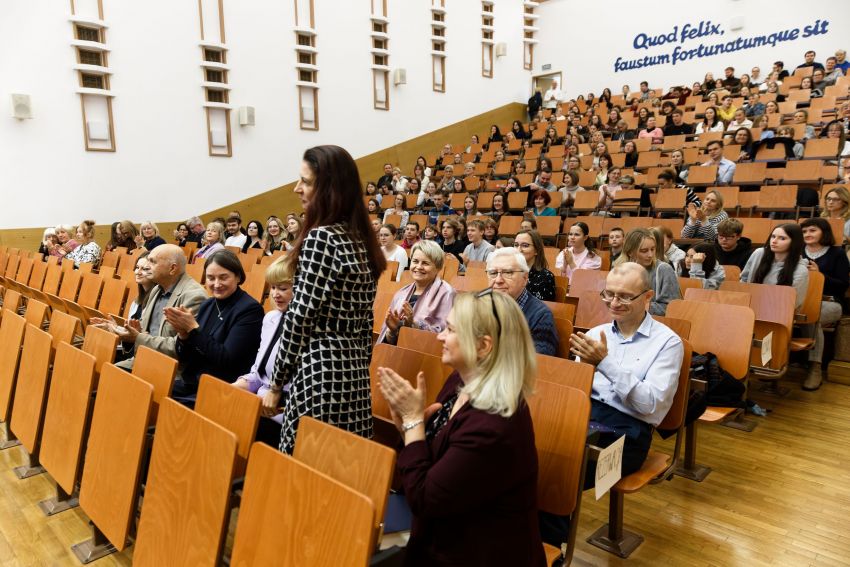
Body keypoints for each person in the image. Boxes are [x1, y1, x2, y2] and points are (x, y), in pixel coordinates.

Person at [377, 291, 546, 567]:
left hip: (479, 553)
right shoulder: (461, 381)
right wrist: (410, 428)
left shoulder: (492, 425)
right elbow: (428, 464)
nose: (440, 336)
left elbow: (425, 499)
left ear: (483, 346)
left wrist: (413, 425)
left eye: (451, 330)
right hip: (445, 532)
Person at [264, 145, 386, 454]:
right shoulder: (360, 239)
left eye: (305, 181)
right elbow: (366, 319)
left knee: (304, 468)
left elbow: (299, 317)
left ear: (328, 188)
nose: (296, 188)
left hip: (320, 372)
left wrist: (276, 383)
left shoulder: (322, 237)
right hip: (354, 374)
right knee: (341, 470)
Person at [567, 262, 683, 485]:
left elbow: (650, 405)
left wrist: (604, 363)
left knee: (565, 471)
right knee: (536, 451)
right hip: (587, 417)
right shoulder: (596, 333)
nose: (614, 303)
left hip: (629, 435)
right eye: (608, 294)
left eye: (625, 297)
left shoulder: (668, 343)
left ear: (647, 296)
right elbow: (575, 389)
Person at [95, 244, 207, 370]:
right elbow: (144, 330)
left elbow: (181, 347)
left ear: (172, 269)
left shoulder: (194, 296)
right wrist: (122, 330)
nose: (147, 266)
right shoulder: (157, 289)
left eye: (152, 262)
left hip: (171, 369)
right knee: (107, 372)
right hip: (145, 358)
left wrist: (137, 337)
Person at [232, 257, 295, 427]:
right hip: (257, 403)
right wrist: (240, 384)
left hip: (281, 413)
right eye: (273, 287)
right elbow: (259, 373)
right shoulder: (270, 318)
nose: (275, 294)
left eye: (283, 288)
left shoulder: (307, 330)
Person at [799, 218, 849, 390]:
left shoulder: (837, 253)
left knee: (812, 315)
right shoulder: (797, 251)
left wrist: (820, 275)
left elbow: (843, 284)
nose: (807, 234)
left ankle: (815, 368)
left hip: (830, 302)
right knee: (805, 311)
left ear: (824, 232)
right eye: (804, 231)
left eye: (812, 230)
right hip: (801, 301)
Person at [377, 241, 456, 345]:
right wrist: (393, 330)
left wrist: (413, 325)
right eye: (415, 261)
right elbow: (389, 341)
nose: (418, 267)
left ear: (438, 267)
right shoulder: (401, 293)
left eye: (425, 263)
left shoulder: (447, 293)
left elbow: (444, 337)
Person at [486, 247, 558, 356]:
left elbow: (539, 364)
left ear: (525, 278)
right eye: (493, 273)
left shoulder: (541, 316)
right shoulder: (480, 306)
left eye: (508, 272)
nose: (498, 280)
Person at [741, 223, 809, 309]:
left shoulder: (801, 270)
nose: (774, 241)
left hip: (777, 312)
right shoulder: (759, 253)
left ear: (794, 242)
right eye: (773, 236)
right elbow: (743, 280)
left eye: (782, 238)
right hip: (748, 307)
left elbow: (793, 303)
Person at [614, 228, 680, 315]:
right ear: (630, 252)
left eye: (653, 249)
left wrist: (635, 305)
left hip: (653, 323)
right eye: (644, 251)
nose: (650, 255)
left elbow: (672, 307)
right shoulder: (621, 269)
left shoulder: (664, 269)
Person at [514, 230, 555, 301]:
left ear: (536, 250)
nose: (518, 249)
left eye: (525, 245)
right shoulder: (509, 271)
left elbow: (541, 309)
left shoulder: (546, 277)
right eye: (516, 245)